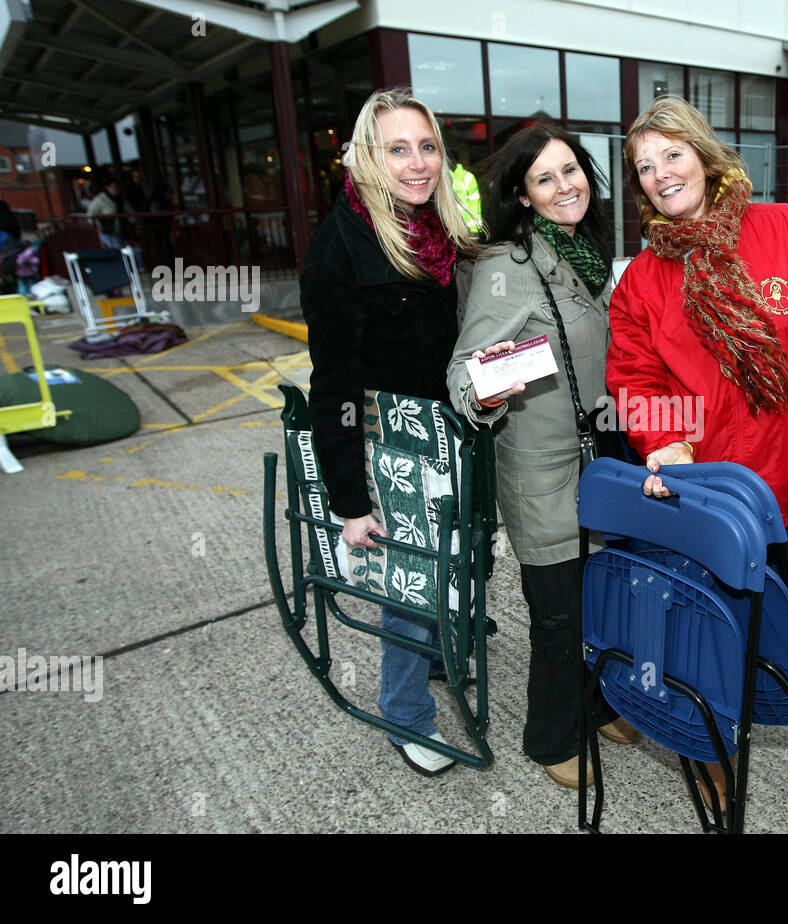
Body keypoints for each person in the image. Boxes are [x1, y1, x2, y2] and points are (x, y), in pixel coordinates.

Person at [606, 96, 788, 823]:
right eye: (644, 166)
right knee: (705, 632)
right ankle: (712, 748)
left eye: (671, 154)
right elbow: (634, 376)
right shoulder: (642, 280)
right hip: (709, 497)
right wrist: (663, 439)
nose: (661, 174)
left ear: (703, 152)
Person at [446, 123, 637, 790]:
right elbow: (463, 374)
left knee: (601, 602)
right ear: (523, 196)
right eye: (545, 178)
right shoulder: (510, 267)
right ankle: (551, 735)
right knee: (558, 617)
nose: (565, 186)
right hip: (544, 470)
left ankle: (603, 700)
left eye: (571, 169)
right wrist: (490, 390)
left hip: (601, 461)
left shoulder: (586, 253)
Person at [299, 87, 478, 778]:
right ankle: (405, 716)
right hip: (385, 441)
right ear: (367, 157)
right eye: (397, 149)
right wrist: (348, 501)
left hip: (442, 430)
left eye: (427, 146)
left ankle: (433, 655)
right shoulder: (340, 246)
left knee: (447, 563)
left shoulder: (433, 232)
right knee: (409, 586)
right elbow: (333, 386)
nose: (416, 162)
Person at [87, 176, 123, 248]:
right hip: (106, 230)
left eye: (117, 187)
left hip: (119, 229)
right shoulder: (100, 199)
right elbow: (90, 214)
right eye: (113, 187)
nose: (116, 189)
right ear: (107, 187)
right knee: (116, 248)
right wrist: (98, 225)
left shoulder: (120, 198)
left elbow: (128, 210)